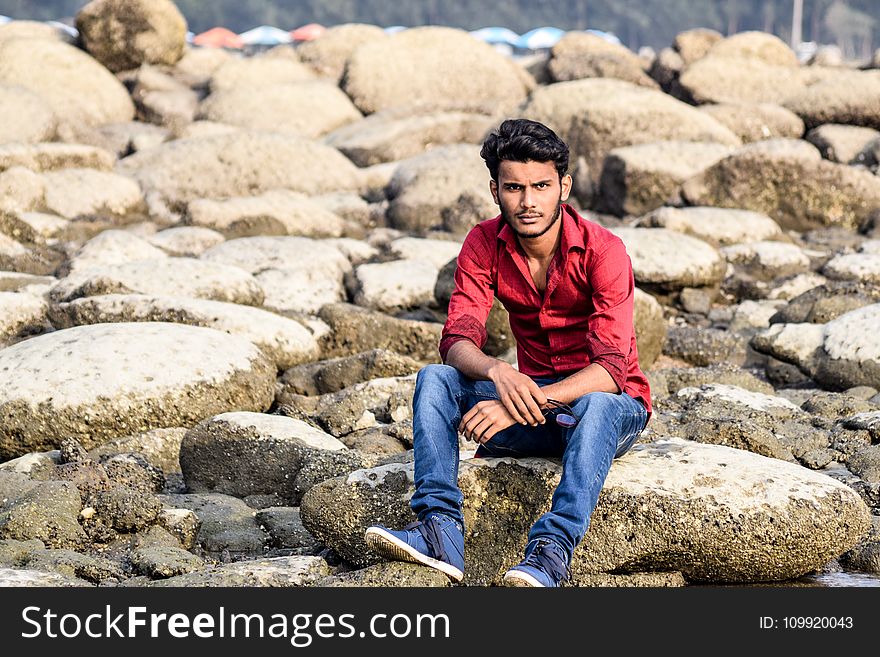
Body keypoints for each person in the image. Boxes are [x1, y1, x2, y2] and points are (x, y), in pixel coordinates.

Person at [365, 118, 652, 587]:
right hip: (533, 408)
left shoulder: (604, 251)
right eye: (514, 187)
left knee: (598, 404)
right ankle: (440, 531)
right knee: (435, 379)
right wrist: (499, 372)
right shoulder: (483, 242)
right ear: (496, 190)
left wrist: (520, 407)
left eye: (541, 186)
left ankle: (551, 553)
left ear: (564, 186)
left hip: (605, 411)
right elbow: (456, 339)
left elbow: (612, 371)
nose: (528, 201)